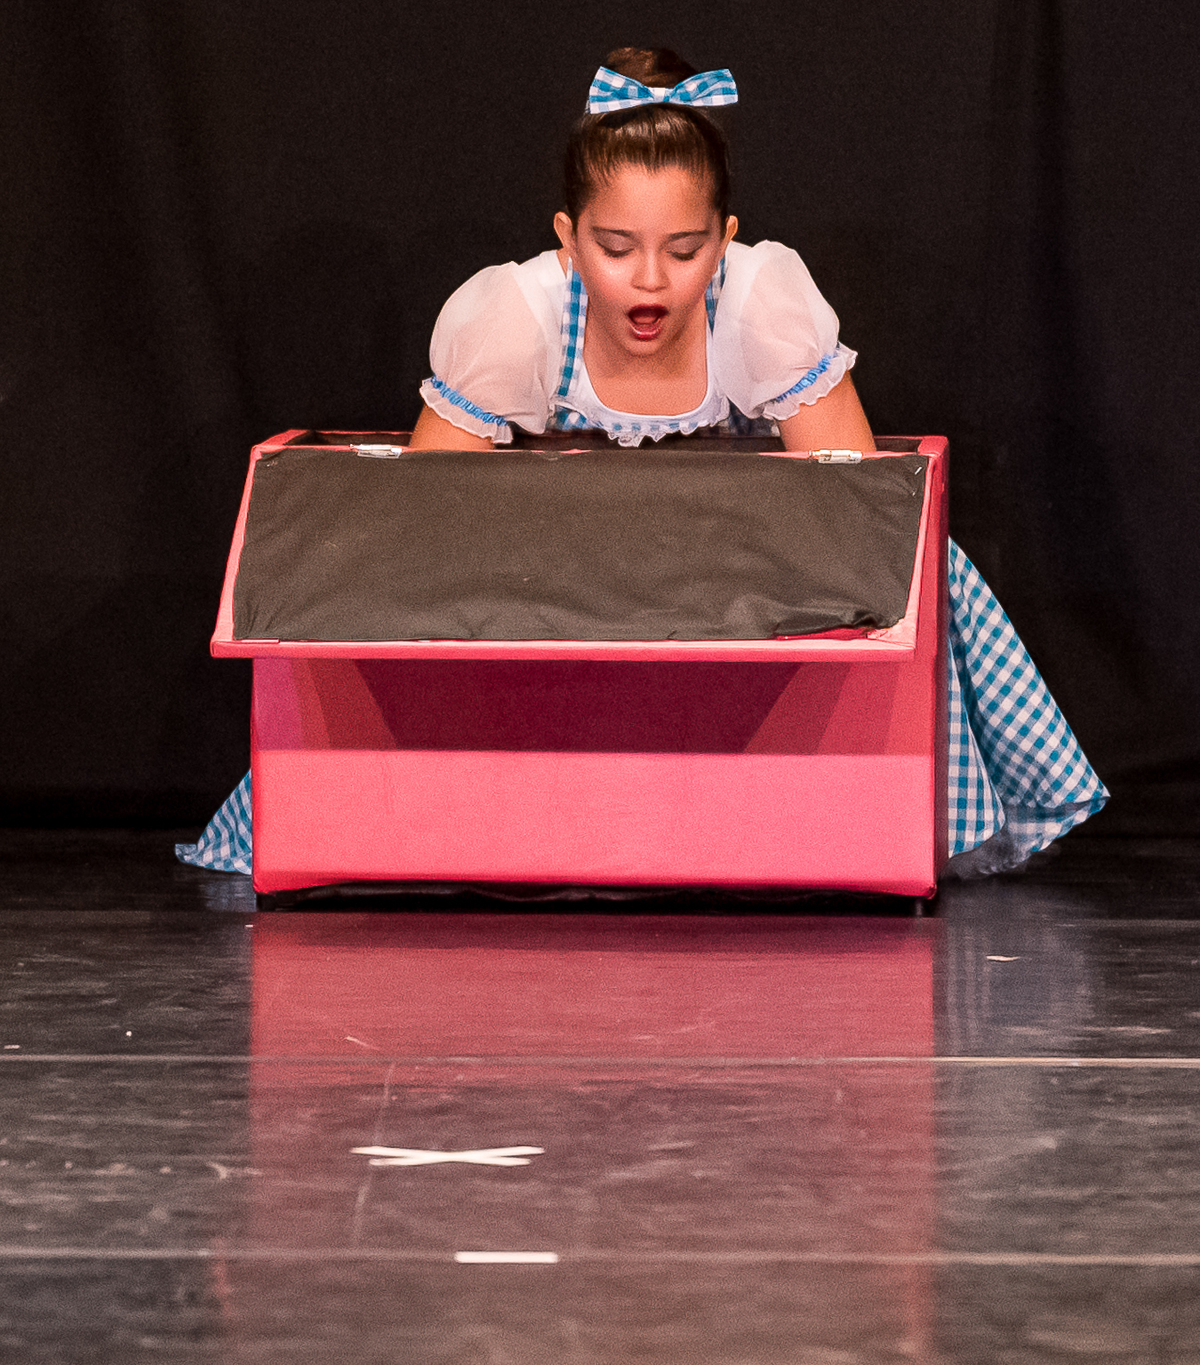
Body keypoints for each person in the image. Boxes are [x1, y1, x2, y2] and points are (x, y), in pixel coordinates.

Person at [179, 47, 1107, 879]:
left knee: (927, 567)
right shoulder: (518, 317)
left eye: (685, 249)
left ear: (726, 239)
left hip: (733, 578)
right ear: (568, 236)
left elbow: (853, 509)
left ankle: (811, 819)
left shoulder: (760, 305)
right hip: (564, 583)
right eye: (616, 249)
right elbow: (423, 522)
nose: (651, 281)